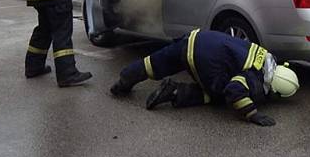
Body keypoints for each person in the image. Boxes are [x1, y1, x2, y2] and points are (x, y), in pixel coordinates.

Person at [109, 28, 299, 126]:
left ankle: (123, 81)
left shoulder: (264, 57)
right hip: (203, 57)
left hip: (195, 37)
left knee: (155, 63)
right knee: (219, 95)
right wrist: (252, 113)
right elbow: (234, 90)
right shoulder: (254, 77)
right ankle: (175, 92)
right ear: (274, 90)